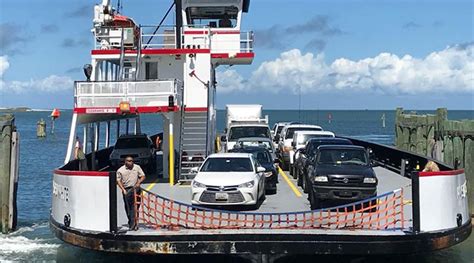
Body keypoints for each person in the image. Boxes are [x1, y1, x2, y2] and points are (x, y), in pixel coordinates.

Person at [116, 156, 146, 230]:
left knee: (135, 207)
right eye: (129, 161)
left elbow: (143, 176)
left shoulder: (137, 167)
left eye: (132, 161)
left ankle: (134, 224)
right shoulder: (120, 170)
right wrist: (123, 189)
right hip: (127, 190)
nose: (131, 162)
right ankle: (131, 222)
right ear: (125, 162)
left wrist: (139, 182)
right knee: (128, 208)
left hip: (136, 189)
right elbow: (118, 181)